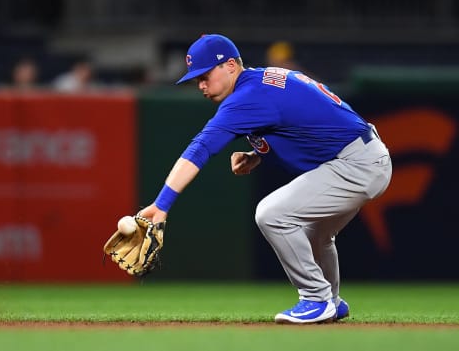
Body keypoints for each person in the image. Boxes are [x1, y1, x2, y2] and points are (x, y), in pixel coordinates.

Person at [138, 34, 392, 324]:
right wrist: (257, 154)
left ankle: (316, 298)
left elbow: (200, 149)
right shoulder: (261, 81)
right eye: (197, 80)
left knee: (272, 214)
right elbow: (307, 121)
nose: (202, 86)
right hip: (363, 154)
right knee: (316, 234)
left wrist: (162, 205)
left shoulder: (246, 98)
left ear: (230, 65)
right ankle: (331, 301)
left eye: (205, 76)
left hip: (357, 163)